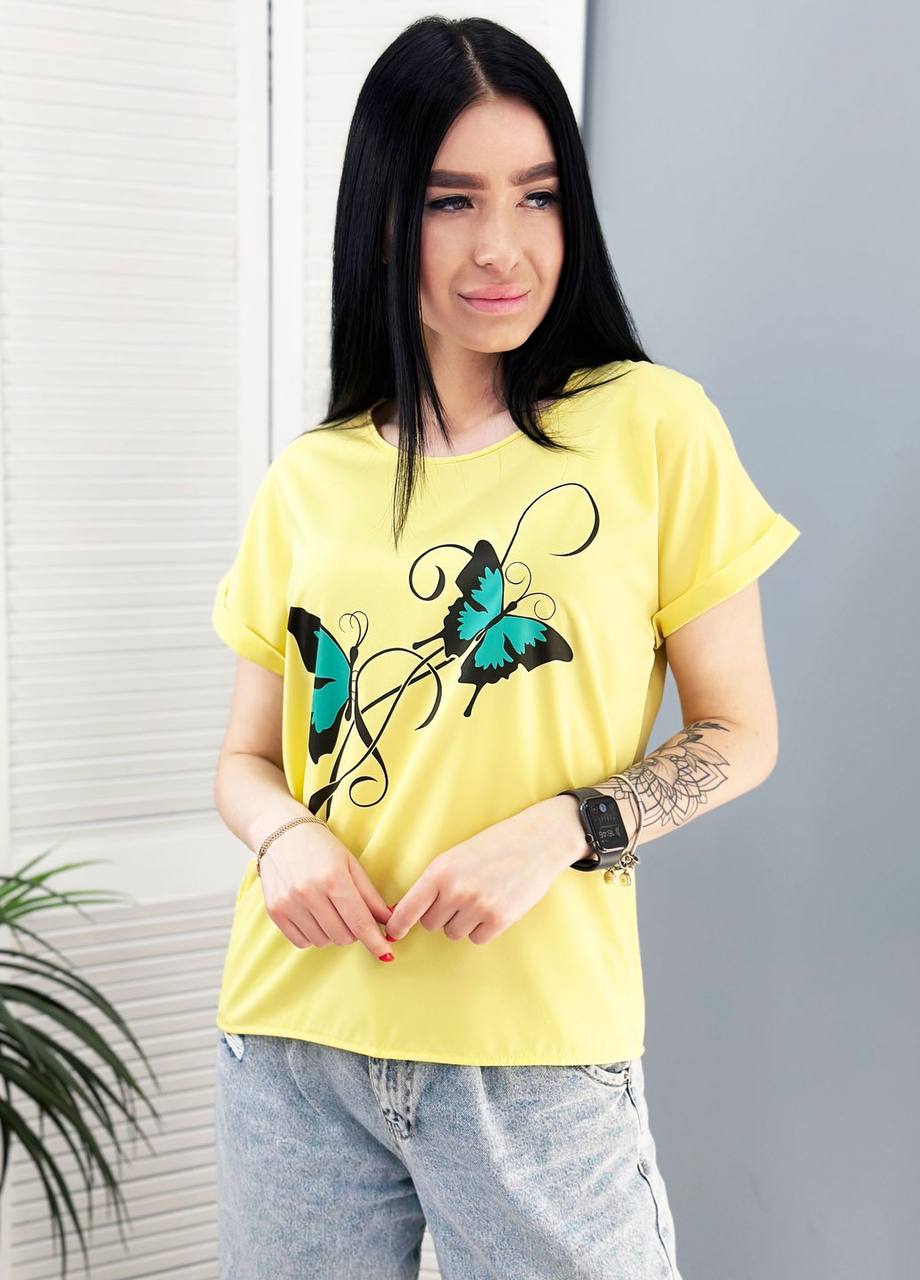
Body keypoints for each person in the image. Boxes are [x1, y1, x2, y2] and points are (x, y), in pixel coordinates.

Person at [210, 16, 801, 1280]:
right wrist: (286, 836)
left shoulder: (651, 426)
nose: (500, 245)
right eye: (450, 200)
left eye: (536, 197)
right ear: (384, 217)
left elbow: (741, 733)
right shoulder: (309, 477)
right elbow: (245, 761)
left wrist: (563, 829)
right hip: (294, 1041)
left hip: (531, 1050)